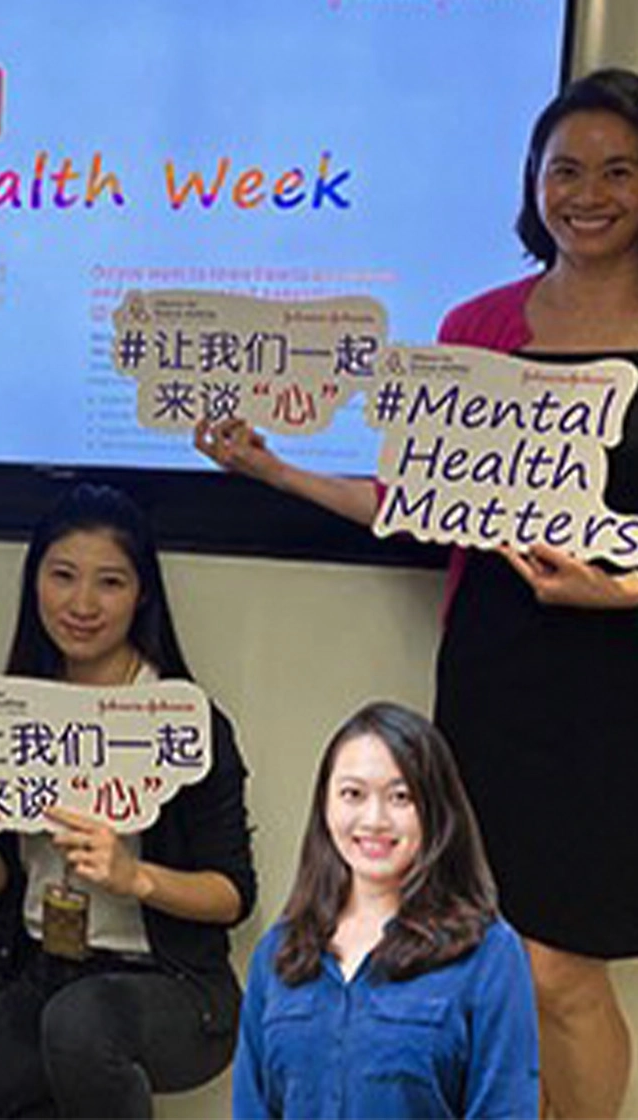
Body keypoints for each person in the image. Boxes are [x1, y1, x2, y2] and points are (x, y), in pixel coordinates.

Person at [196, 67, 638, 1117]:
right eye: (564, 168)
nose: (588, 192)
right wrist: (276, 470)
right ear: (531, 181)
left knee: (564, 970)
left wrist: (615, 594)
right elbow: (414, 498)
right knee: (490, 952)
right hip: (498, 672)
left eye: (620, 170)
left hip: (618, 683)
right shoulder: (482, 321)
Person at [0, 484, 255, 1119]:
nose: (82, 603)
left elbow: (233, 893)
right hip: (48, 975)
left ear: (142, 593)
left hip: (173, 989)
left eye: (110, 582)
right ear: (35, 583)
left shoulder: (184, 722)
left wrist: (135, 876)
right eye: (62, 576)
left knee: (81, 1028)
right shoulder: (10, 713)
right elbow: (1, 877)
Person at [233, 701, 538, 1116]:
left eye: (401, 797)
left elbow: (504, 1109)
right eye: (352, 794)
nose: (374, 819)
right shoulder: (280, 951)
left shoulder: (488, 954)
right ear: (326, 806)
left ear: (436, 810)